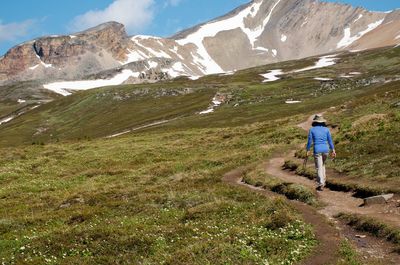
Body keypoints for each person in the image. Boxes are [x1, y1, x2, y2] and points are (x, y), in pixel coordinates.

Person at [306, 115, 336, 191]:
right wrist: (333, 150)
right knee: (322, 165)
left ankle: (321, 183)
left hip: (317, 149)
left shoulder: (312, 130)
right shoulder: (326, 129)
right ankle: (324, 181)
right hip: (326, 149)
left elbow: (309, 141)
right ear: (322, 122)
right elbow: (330, 140)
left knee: (319, 167)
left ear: (315, 122)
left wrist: (308, 150)